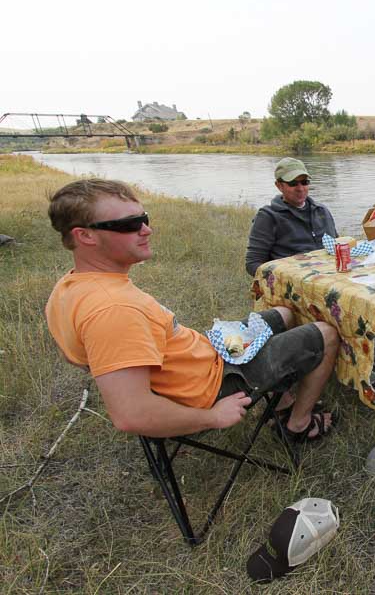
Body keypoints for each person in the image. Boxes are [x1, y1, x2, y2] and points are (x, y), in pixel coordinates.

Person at [45, 178, 338, 447]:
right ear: (85, 236)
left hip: (207, 355)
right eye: (129, 224)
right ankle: (298, 425)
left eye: (144, 219)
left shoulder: (70, 286)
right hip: (214, 384)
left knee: (284, 312)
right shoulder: (113, 309)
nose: (146, 230)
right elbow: (131, 414)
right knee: (326, 333)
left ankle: (283, 400)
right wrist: (213, 417)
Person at [245, 157, 337, 277]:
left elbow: (337, 247)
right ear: (279, 185)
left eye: (304, 182)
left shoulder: (322, 211)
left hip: (330, 277)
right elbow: (253, 263)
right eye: (293, 183)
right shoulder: (268, 217)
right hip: (294, 283)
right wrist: (282, 279)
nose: (300, 188)